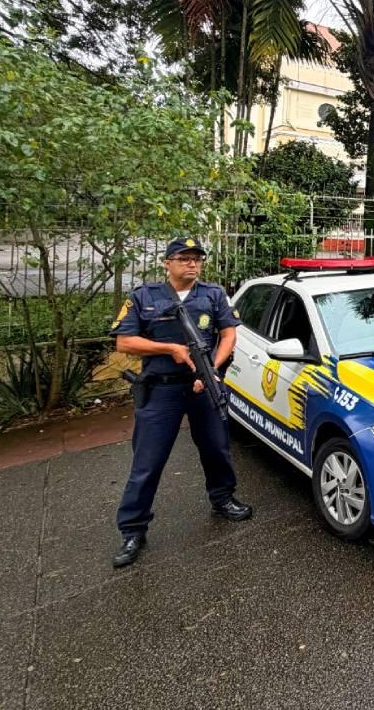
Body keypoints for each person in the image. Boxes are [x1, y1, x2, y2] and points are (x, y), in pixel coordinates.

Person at [109, 237, 252, 568]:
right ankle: (132, 530)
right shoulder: (145, 297)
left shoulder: (213, 294)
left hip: (205, 385)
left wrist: (212, 369)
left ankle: (223, 499)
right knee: (148, 461)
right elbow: (124, 342)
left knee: (217, 448)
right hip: (162, 390)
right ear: (167, 263)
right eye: (184, 258)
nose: (192, 264)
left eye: (197, 259)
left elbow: (229, 333)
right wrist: (170, 349)